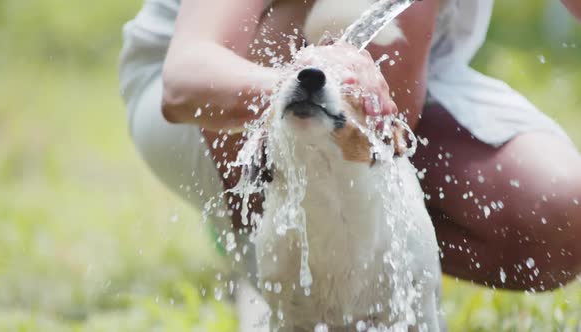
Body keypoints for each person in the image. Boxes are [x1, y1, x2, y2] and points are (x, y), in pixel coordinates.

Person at [119, 0, 581, 329]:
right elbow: (184, 80)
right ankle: (261, 236)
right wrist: (304, 91)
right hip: (215, 81)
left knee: (561, 208)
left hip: (411, 76)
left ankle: (372, 278)